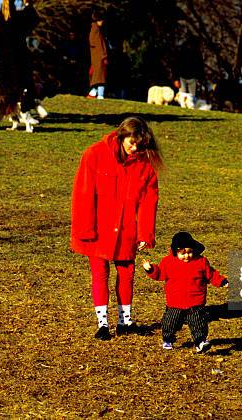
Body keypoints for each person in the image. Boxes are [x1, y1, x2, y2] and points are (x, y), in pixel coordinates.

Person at [70, 117, 163, 340]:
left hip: (126, 230)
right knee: (99, 273)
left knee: (127, 273)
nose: (135, 148)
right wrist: (84, 229)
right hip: (98, 229)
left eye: (139, 145)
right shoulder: (95, 154)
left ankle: (125, 321)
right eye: (132, 143)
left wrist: (145, 234)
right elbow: (83, 193)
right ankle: (103, 323)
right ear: (122, 136)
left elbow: (149, 201)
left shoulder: (145, 165)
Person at [142, 232, 228, 353]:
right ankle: (168, 339)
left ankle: (200, 342)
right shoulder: (168, 262)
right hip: (175, 301)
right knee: (170, 322)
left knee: (198, 322)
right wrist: (150, 269)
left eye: (189, 252)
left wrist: (221, 281)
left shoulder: (201, 262)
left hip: (196, 301)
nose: (187, 256)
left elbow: (211, 274)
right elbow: (160, 273)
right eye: (183, 253)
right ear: (175, 252)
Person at [175, 38, 204, 109]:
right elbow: (176, 65)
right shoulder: (182, 52)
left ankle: (190, 109)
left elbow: (200, 66)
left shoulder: (197, 53)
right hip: (183, 77)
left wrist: (200, 78)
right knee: (183, 97)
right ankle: (183, 109)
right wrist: (176, 79)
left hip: (192, 78)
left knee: (191, 98)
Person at [87, 11, 108, 99]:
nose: (102, 22)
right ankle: (100, 95)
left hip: (96, 57)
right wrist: (104, 56)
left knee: (98, 76)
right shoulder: (96, 30)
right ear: (98, 20)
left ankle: (92, 94)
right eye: (101, 20)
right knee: (100, 77)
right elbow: (99, 44)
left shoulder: (94, 29)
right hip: (99, 57)